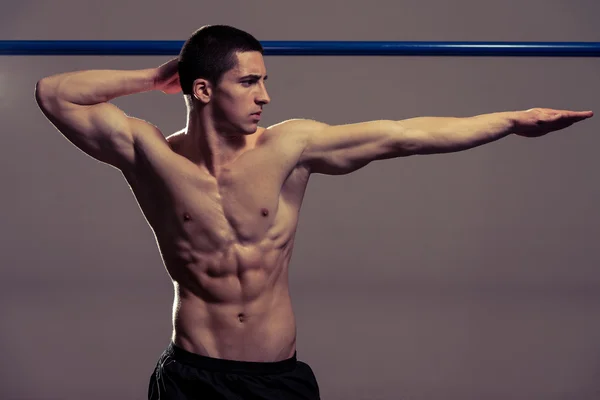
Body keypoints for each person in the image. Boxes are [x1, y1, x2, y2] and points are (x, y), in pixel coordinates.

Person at [34, 25, 593, 400]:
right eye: (249, 81)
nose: (265, 96)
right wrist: (157, 78)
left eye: (265, 81)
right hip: (191, 375)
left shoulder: (290, 148)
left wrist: (514, 120)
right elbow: (54, 92)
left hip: (277, 378)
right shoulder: (152, 155)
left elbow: (405, 135)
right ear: (202, 89)